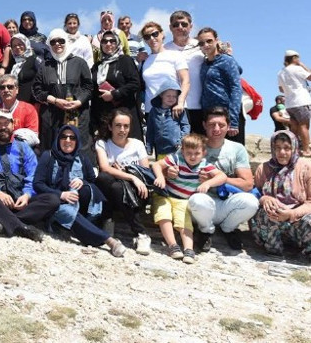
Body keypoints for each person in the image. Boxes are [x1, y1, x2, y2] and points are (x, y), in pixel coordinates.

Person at [34, 125, 126, 257]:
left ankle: (85, 227)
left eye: (72, 137)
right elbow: (38, 184)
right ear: (58, 139)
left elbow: (93, 180)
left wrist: (83, 182)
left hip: (77, 204)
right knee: (66, 211)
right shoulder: (47, 156)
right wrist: (61, 194)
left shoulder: (82, 158)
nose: (67, 140)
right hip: (54, 202)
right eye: (64, 137)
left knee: (86, 190)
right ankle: (109, 241)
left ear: (77, 141)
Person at [0, 112, 59, 240]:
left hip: (20, 200)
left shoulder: (24, 148)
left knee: (53, 200)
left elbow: (34, 174)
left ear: (13, 125)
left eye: (6, 123)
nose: (3, 127)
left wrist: (27, 195)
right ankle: (20, 227)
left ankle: (5, 221)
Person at [182, 107, 259, 252]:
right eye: (211, 125)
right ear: (204, 125)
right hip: (200, 205)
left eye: (221, 125)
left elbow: (248, 184)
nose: (216, 129)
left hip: (225, 204)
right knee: (198, 200)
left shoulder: (237, 149)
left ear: (228, 126)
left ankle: (228, 228)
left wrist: (218, 179)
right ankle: (205, 230)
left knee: (251, 202)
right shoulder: (194, 144)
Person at [152, 134, 227, 263]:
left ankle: (188, 249)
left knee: (184, 221)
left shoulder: (204, 164)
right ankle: (172, 245)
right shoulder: (177, 158)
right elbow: (156, 165)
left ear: (204, 153)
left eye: (196, 153)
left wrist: (207, 183)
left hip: (184, 200)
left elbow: (222, 176)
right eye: (189, 153)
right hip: (166, 195)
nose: (192, 157)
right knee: (164, 214)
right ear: (183, 151)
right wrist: (160, 177)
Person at [94, 109, 153, 254]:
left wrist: (127, 172)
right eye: (118, 125)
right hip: (115, 192)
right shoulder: (103, 144)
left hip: (136, 193)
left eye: (126, 126)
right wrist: (129, 176)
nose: (122, 130)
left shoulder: (137, 144)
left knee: (115, 186)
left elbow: (145, 171)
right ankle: (140, 233)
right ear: (110, 126)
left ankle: (110, 224)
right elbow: (104, 167)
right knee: (107, 181)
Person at [250, 130, 311, 259]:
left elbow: (310, 202)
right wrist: (264, 198)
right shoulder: (264, 168)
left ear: (294, 148)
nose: (282, 152)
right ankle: (273, 251)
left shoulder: (305, 168)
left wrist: (291, 214)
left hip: (298, 220)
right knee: (261, 214)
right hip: (273, 221)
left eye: (287, 148)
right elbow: (256, 193)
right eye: (277, 148)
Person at [32, 29, 94, 153]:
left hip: (77, 112)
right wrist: (54, 100)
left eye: (61, 41)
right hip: (52, 114)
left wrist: (79, 102)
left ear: (66, 42)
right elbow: (36, 89)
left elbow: (89, 87)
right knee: (52, 149)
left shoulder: (79, 62)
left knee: (78, 147)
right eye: (53, 42)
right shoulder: (45, 66)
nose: (57, 44)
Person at [90, 29, 143, 141]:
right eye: (104, 41)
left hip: (124, 114)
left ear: (118, 43)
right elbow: (93, 92)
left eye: (112, 41)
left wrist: (114, 94)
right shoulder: (97, 66)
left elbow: (135, 84)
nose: (108, 44)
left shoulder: (125, 60)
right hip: (104, 117)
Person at [198, 27, 244, 143]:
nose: (206, 45)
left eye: (209, 41)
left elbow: (236, 88)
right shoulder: (204, 64)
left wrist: (233, 121)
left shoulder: (226, 60)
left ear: (216, 40)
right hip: (210, 116)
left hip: (227, 116)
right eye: (201, 43)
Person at [139, 21, 189, 120]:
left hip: (174, 109)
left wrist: (180, 102)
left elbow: (185, 81)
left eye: (155, 34)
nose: (152, 38)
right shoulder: (145, 61)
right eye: (147, 37)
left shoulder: (175, 55)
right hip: (152, 111)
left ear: (162, 34)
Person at [163, 11, 204, 131]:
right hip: (174, 108)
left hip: (200, 108)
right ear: (170, 28)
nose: (180, 27)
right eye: (176, 25)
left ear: (191, 26)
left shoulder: (202, 47)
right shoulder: (164, 50)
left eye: (184, 24)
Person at [0, 75, 39, 142]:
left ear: (17, 90)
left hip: (22, 148)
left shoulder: (29, 109)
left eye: (10, 87)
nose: (6, 90)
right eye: (2, 87)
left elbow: (33, 137)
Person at [277, 50, 311, 157]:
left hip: (290, 104)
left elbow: (281, 90)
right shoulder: (297, 69)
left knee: (294, 128)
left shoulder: (281, 72)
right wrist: (303, 66)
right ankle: (306, 150)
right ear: (294, 58)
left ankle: (293, 150)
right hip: (301, 101)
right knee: (304, 126)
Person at [146, 88, 191, 158]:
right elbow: (150, 130)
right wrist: (149, 145)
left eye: (174, 96)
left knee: (176, 168)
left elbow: (185, 126)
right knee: (161, 167)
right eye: (168, 96)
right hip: (160, 149)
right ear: (161, 95)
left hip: (177, 149)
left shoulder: (179, 110)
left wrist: (181, 140)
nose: (171, 98)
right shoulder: (154, 111)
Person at [8, 33, 48, 105]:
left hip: (34, 105)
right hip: (17, 105)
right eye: (14, 46)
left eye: (20, 44)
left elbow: (44, 80)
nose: (17, 47)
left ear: (26, 44)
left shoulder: (35, 59)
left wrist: (38, 102)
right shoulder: (14, 64)